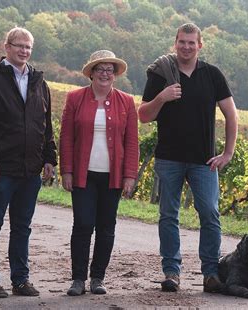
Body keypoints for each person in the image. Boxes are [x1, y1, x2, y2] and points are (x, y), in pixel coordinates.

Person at [138, 23, 238, 293]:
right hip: (168, 158)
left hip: (203, 161)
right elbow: (144, 116)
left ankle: (210, 273)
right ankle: (172, 273)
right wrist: (162, 97)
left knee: (210, 214)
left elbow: (232, 114)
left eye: (191, 43)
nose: (186, 46)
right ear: (175, 43)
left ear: (200, 45)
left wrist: (227, 153)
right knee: (168, 215)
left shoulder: (212, 75)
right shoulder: (161, 75)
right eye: (182, 42)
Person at [0, 27, 57, 298]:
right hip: (1, 169)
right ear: (6, 47)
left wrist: (50, 158)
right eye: (19, 45)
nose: (24, 51)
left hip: (30, 170)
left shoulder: (39, 83)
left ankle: (20, 280)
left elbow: (47, 125)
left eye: (28, 47)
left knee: (22, 227)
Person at [59, 50, 139, 296]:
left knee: (106, 227)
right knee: (82, 224)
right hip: (84, 174)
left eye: (109, 70)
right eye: (100, 69)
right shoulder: (75, 98)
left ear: (114, 75)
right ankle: (78, 279)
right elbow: (66, 137)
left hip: (112, 176)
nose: (105, 73)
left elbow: (132, 142)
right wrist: (67, 171)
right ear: (91, 73)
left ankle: (97, 278)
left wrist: (129, 175)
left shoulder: (126, 102)